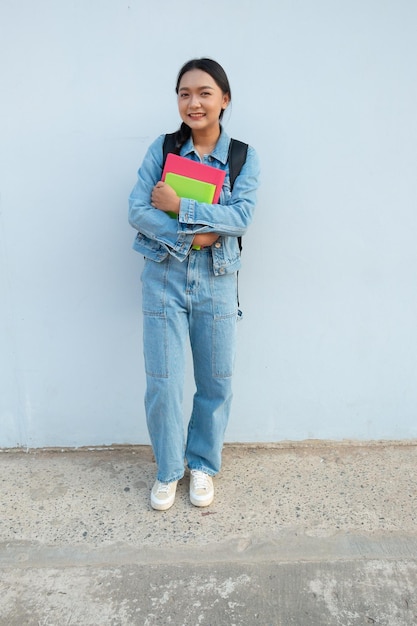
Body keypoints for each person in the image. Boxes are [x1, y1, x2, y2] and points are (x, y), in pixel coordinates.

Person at [128, 58, 260, 511]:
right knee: (163, 381)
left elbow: (241, 217)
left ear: (225, 99)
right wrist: (193, 236)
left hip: (218, 280)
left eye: (204, 92)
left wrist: (180, 205)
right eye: (185, 93)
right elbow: (138, 210)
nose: (194, 102)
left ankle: (202, 463)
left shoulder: (242, 157)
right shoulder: (163, 149)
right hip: (163, 277)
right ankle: (168, 470)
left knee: (216, 380)